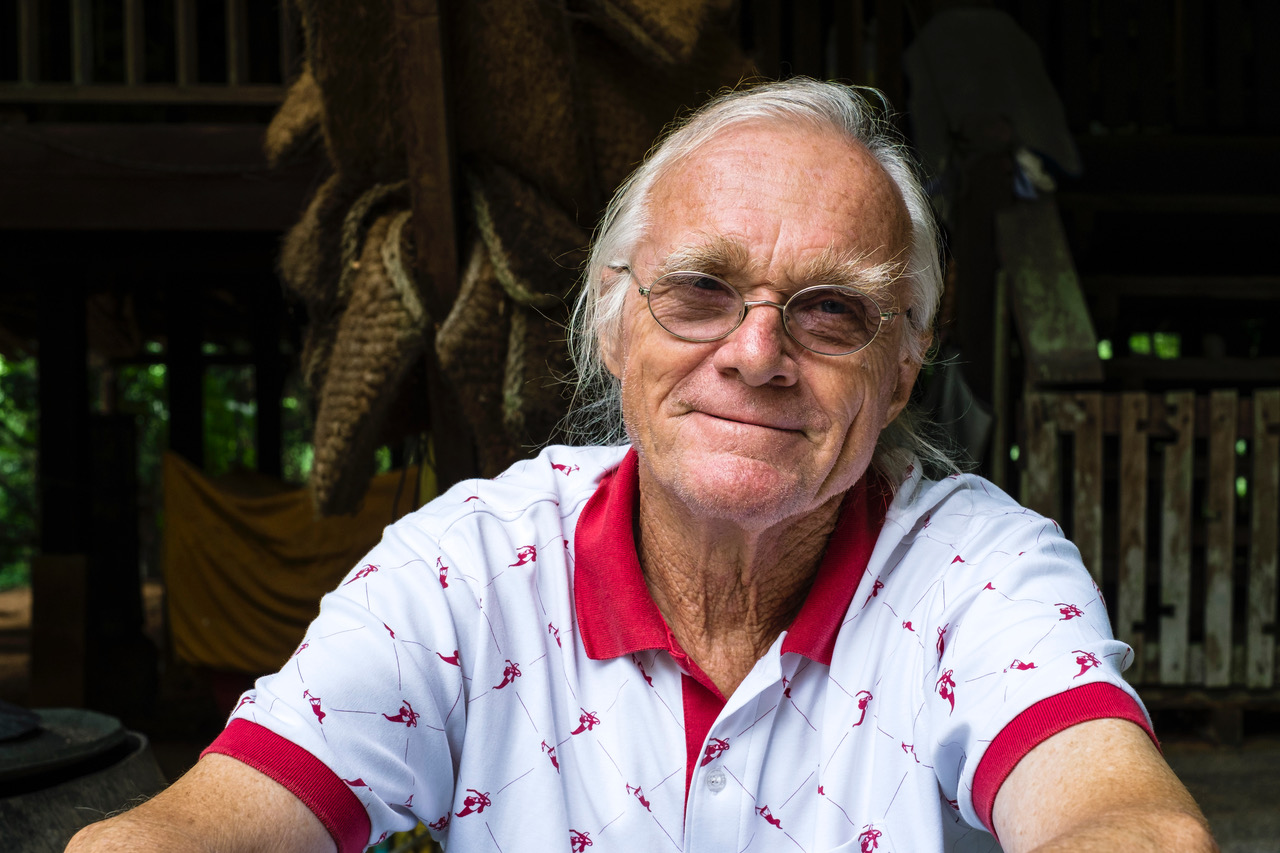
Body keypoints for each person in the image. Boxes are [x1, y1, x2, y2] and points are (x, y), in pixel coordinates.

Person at [68, 79, 1215, 853]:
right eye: (699, 290)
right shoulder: (469, 566)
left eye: (830, 310)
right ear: (612, 324)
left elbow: (1129, 824)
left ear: (902, 365)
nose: (755, 353)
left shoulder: (978, 569)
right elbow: (188, 828)